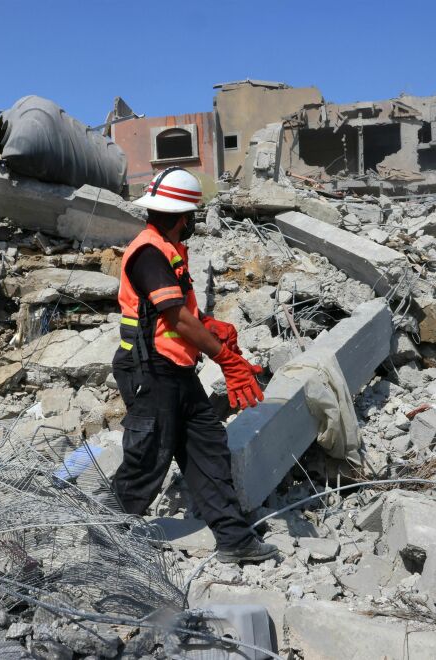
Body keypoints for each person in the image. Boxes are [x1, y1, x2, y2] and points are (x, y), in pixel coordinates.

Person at [112, 167, 277, 564]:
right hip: (149, 372)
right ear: (183, 217)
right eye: (191, 216)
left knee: (208, 449)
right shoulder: (148, 253)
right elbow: (174, 319)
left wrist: (212, 327)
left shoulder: (170, 252)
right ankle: (103, 539)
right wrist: (225, 359)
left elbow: (186, 314)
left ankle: (235, 540)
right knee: (149, 459)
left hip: (177, 371)